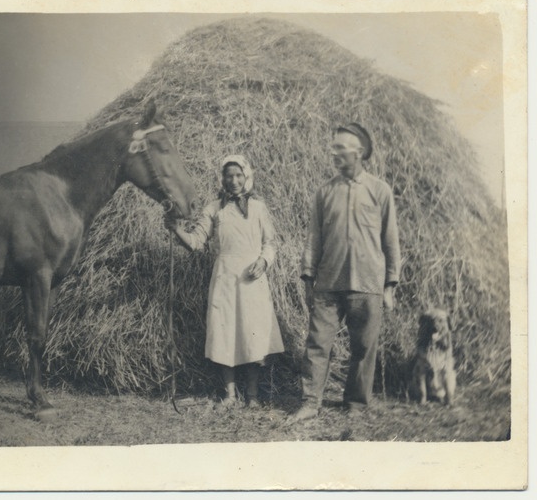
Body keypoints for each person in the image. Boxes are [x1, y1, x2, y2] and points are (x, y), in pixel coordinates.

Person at [291, 123, 401, 422]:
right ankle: (310, 402)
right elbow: (313, 237)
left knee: (364, 347)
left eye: (340, 147)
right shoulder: (324, 192)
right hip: (328, 283)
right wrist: (308, 276)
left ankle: (355, 403)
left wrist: (390, 285)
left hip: (368, 283)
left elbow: (390, 240)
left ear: (360, 152)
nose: (333, 152)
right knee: (317, 344)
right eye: (333, 147)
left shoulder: (380, 190)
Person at [166, 155, 285, 408]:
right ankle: (230, 395)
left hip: (253, 279)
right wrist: (176, 230)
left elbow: (271, 243)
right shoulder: (214, 209)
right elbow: (197, 242)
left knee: (252, 333)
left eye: (239, 175)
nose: (234, 181)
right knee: (225, 331)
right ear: (222, 179)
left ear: (247, 177)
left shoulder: (258, 208)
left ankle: (252, 396)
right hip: (225, 277)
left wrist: (263, 262)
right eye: (229, 176)